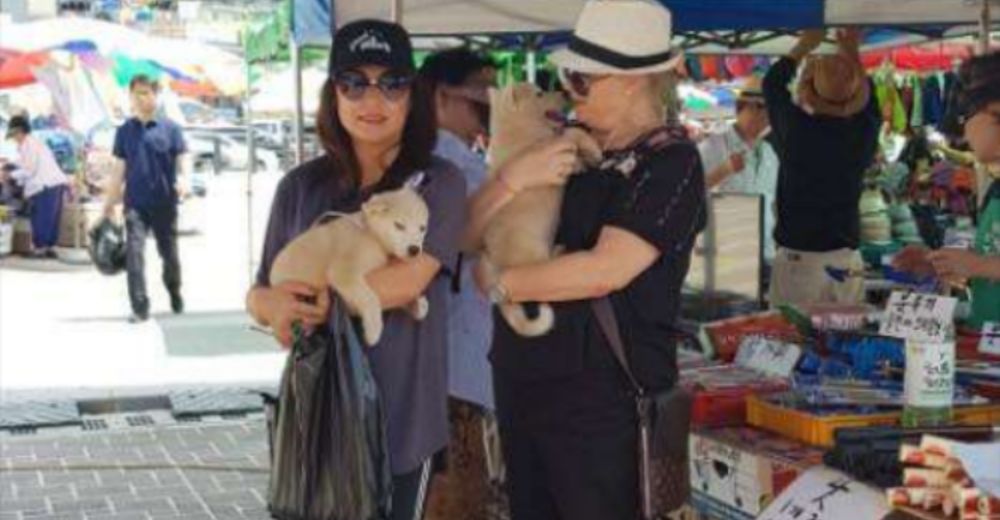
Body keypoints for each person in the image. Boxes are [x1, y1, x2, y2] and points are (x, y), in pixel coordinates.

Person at [465, 2, 706, 518]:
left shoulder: (670, 163)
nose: (568, 89)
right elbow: (460, 234)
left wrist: (503, 283)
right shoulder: (555, 142)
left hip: (607, 399)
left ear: (632, 81)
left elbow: (605, 269)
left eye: (580, 79)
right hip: (524, 377)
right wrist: (512, 178)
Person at [245, 20, 466, 520]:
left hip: (403, 425)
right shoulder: (299, 187)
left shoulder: (437, 183)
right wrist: (272, 304)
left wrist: (322, 299)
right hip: (316, 416)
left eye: (392, 83)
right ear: (333, 94)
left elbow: (409, 280)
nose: (373, 100)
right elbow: (259, 292)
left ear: (413, 96)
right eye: (354, 82)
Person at [418, 48, 498, 517]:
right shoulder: (446, 167)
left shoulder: (465, 162)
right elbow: (468, 238)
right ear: (441, 97)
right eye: (478, 98)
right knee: (455, 494)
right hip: (452, 364)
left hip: (456, 359)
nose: (487, 109)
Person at [763, 28, 881, 307]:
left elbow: (771, 84)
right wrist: (851, 51)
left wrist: (804, 45)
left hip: (799, 260)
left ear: (809, 88)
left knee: (792, 341)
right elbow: (870, 100)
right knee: (847, 341)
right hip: (845, 258)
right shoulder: (861, 133)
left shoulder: (796, 130)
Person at [895, 52, 1000, 328]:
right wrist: (941, 262)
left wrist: (977, 265)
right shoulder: (995, 185)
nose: (964, 134)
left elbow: (985, 265)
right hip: (988, 345)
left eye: (966, 117)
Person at [103, 75, 188, 322]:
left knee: (169, 255)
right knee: (134, 253)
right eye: (137, 93)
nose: (141, 98)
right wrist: (110, 202)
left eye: (146, 93)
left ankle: (174, 289)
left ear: (156, 95)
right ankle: (139, 306)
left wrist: (184, 179)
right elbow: (118, 169)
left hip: (164, 203)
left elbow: (183, 157)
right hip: (135, 206)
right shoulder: (124, 132)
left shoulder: (171, 128)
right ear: (130, 96)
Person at [698, 77, 779, 275]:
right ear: (744, 108)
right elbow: (687, 195)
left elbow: (773, 203)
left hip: (766, 254)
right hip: (726, 255)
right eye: (760, 108)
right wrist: (723, 171)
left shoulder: (770, 152)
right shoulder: (713, 146)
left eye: (770, 110)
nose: (766, 116)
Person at [0, 115, 70, 259]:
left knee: (42, 217)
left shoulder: (28, 144)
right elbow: (24, 162)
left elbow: (29, 169)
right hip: (54, 183)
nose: (14, 139)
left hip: (44, 185)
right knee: (51, 218)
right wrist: (9, 163)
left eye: (14, 135)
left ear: (19, 132)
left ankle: (40, 249)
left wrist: (10, 176)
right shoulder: (35, 143)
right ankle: (49, 247)